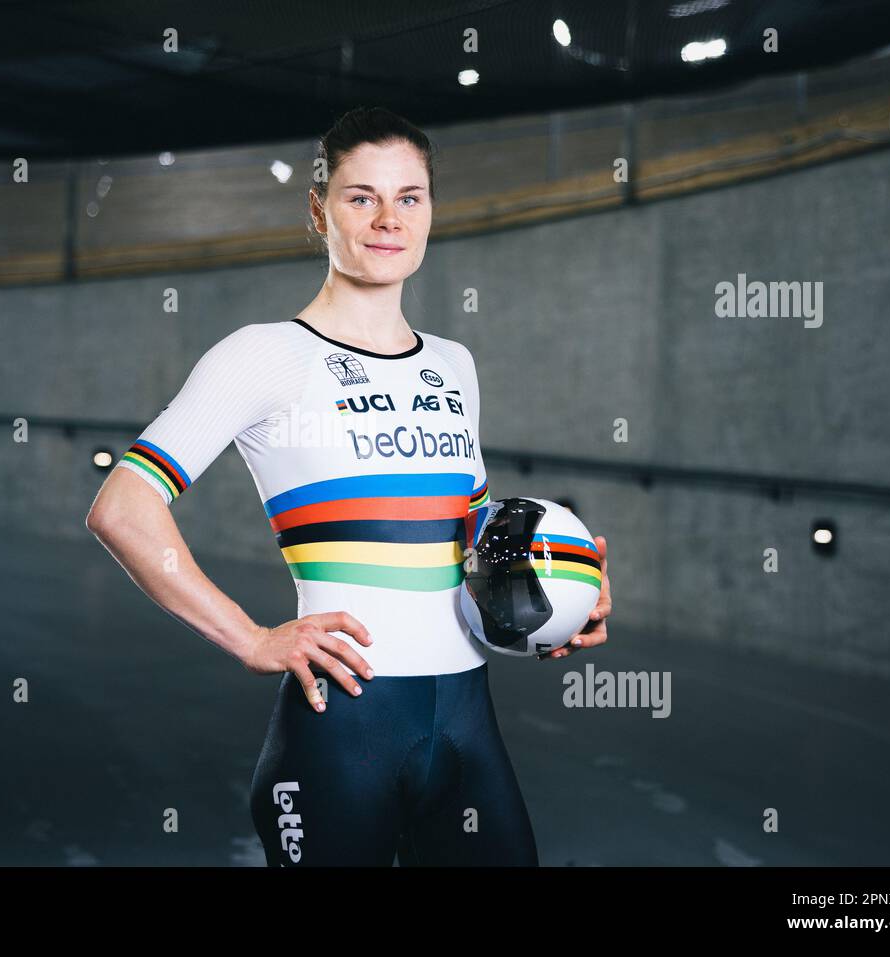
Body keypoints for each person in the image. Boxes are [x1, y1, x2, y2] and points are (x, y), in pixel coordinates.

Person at [85, 106, 612, 866]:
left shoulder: (453, 364)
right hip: (343, 731)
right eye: (361, 196)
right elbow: (123, 507)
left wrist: (556, 592)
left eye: (410, 196)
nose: (388, 218)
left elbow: (465, 536)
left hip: (467, 722)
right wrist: (250, 637)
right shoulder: (264, 356)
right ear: (318, 208)